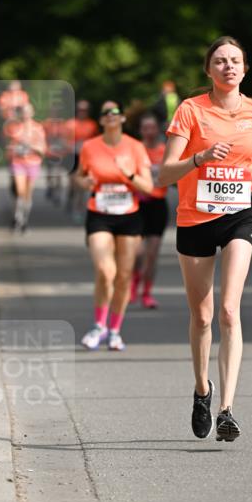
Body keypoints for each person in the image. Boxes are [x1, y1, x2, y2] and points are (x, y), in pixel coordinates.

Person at [159, 36, 252, 442]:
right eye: (220, 61)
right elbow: (164, 174)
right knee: (203, 316)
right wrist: (199, 159)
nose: (228, 67)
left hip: (239, 216)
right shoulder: (191, 111)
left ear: (246, 69)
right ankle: (201, 390)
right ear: (208, 70)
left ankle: (227, 409)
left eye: (235, 61)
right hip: (195, 219)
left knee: (229, 310)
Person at [74, 101, 153, 351]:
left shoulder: (135, 147)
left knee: (123, 277)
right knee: (105, 271)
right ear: (101, 120)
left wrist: (129, 174)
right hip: (99, 213)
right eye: (105, 113)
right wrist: (84, 181)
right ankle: (99, 326)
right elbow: (78, 175)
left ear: (121, 119)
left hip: (129, 216)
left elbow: (149, 187)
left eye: (115, 113)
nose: (110, 116)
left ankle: (115, 330)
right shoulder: (90, 146)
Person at [130, 113, 169, 309]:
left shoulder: (165, 151)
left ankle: (147, 293)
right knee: (137, 253)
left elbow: (173, 176)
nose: (150, 131)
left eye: (152, 127)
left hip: (157, 206)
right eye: (146, 128)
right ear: (141, 130)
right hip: (136, 205)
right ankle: (134, 283)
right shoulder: (134, 150)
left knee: (152, 254)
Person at [3, 102, 47, 232]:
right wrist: (14, 149)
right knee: (20, 191)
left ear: (32, 113)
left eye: (28, 111)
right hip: (18, 163)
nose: (25, 114)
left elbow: (43, 150)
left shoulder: (38, 128)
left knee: (28, 193)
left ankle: (24, 218)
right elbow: (8, 147)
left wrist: (30, 146)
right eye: (23, 111)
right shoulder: (14, 128)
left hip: (33, 163)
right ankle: (17, 217)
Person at [67, 100, 99, 221]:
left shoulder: (92, 125)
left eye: (85, 110)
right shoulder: (70, 124)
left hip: (85, 157)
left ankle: (78, 208)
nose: (82, 112)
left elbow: (95, 140)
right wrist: (72, 145)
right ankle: (71, 198)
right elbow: (64, 141)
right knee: (72, 183)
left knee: (80, 184)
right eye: (80, 110)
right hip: (72, 156)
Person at [43, 103, 73, 205]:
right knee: (50, 173)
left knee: (59, 173)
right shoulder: (46, 123)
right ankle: (50, 186)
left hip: (60, 152)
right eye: (53, 112)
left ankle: (58, 194)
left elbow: (66, 138)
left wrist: (66, 146)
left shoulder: (62, 124)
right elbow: (43, 137)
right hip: (50, 151)